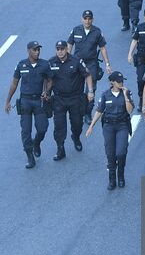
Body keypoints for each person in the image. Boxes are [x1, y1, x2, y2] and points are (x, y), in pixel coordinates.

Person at [4, 40, 52, 168]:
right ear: (28, 51)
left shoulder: (45, 65)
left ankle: (36, 143)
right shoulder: (21, 65)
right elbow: (14, 83)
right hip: (25, 101)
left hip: (39, 101)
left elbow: (50, 81)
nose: (37, 52)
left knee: (42, 128)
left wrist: (47, 92)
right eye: (34, 49)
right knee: (25, 131)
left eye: (38, 50)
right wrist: (7, 101)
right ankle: (30, 156)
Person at [86, 71, 134, 190]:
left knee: (121, 153)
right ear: (112, 82)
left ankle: (121, 176)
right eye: (118, 81)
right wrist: (91, 126)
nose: (121, 83)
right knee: (110, 154)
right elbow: (99, 111)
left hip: (122, 125)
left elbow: (129, 111)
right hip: (109, 127)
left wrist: (126, 96)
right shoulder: (105, 95)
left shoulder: (126, 93)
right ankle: (112, 180)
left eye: (122, 81)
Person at [49, 39, 93, 160]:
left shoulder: (76, 61)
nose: (60, 51)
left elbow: (88, 75)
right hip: (59, 99)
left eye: (62, 49)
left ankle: (76, 137)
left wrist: (90, 91)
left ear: (67, 49)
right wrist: (45, 93)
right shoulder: (51, 63)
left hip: (75, 99)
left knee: (77, 124)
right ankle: (60, 149)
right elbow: (48, 80)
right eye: (58, 49)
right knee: (59, 126)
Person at [67, 9, 111, 120]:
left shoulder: (97, 32)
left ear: (92, 20)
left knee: (91, 90)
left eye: (89, 19)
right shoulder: (75, 30)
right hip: (77, 64)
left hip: (91, 64)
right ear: (81, 19)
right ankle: (77, 111)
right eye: (85, 18)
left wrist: (107, 64)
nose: (87, 21)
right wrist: (66, 62)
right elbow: (69, 45)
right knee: (76, 89)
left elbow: (102, 48)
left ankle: (87, 112)